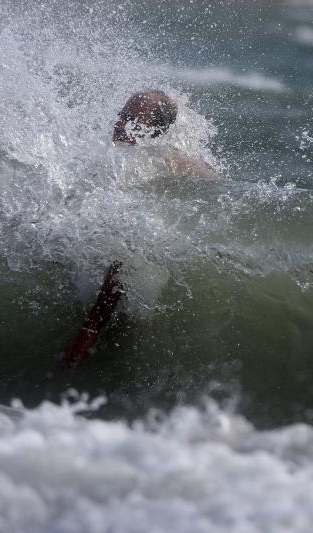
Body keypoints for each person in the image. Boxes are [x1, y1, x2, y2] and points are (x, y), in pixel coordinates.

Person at [61, 89, 213, 368]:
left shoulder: (140, 164)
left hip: (140, 273)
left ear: (153, 131)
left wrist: (89, 328)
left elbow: (123, 258)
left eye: (132, 119)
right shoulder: (156, 156)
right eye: (122, 114)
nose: (120, 123)